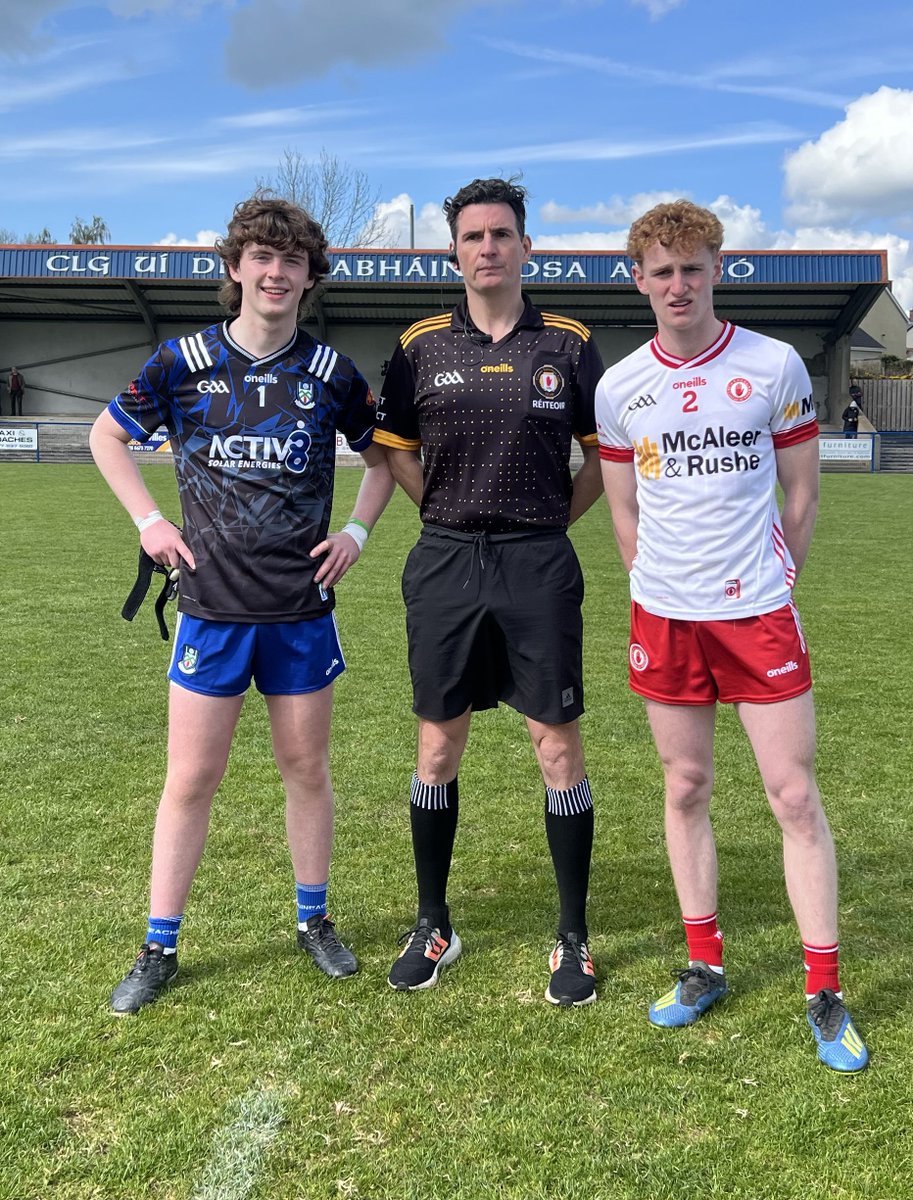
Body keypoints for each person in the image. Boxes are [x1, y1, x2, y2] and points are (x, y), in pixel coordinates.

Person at [89, 192, 395, 1015]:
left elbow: (383, 460)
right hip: (211, 610)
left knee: (306, 770)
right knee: (191, 778)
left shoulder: (331, 374)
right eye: (262, 256)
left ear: (308, 277)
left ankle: (314, 921)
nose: (276, 271)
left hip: (300, 610)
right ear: (236, 268)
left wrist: (359, 535)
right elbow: (106, 435)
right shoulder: (182, 361)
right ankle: (158, 945)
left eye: (291, 260)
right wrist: (150, 519)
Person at [595, 199, 869, 1072]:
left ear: (718, 269)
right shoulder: (619, 386)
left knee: (792, 796)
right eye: (661, 271)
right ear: (639, 281)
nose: (678, 284)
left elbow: (803, 495)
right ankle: (705, 964)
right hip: (666, 619)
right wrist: (648, 581)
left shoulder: (774, 363)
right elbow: (623, 508)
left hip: (756, 615)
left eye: (692, 267)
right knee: (685, 787)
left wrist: (780, 578)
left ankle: (823, 989)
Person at [373, 177, 605, 1007]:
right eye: (472, 238)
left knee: (556, 746)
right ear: (455, 252)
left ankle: (571, 934)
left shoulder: (571, 343)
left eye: (501, 235)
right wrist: (443, 514)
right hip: (445, 562)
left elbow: (601, 460)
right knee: (438, 747)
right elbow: (395, 450)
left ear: (525, 246)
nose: (487, 249)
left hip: (538, 562)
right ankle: (433, 921)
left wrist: (547, 525)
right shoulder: (421, 343)